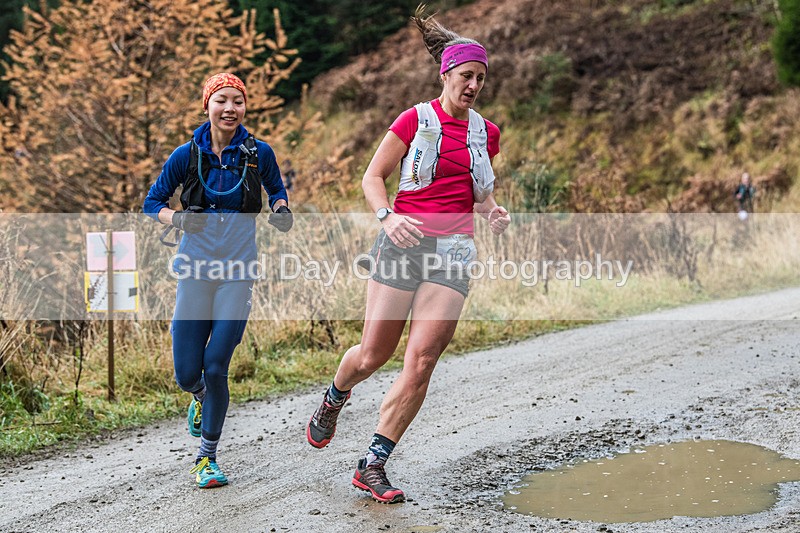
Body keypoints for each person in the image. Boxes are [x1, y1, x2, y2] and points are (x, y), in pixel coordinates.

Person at [306, 6, 510, 504]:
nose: (473, 85)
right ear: (446, 73)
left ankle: (372, 463)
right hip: (402, 242)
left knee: (422, 360)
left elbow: (474, 192)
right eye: (466, 75)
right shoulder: (414, 121)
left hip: (455, 249)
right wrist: (387, 217)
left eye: (480, 78)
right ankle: (335, 395)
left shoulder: (487, 132)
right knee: (374, 355)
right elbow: (372, 178)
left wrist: (492, 210)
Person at [143, 73, 293, 488]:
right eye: (222, 100)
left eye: (238, 102)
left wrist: (280, 209)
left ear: (245, 108)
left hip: (238, 273)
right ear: (207, 106)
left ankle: (206, 458)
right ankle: (197, 395)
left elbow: (277, 190)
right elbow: (151, 202)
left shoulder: (258, 153)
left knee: (216, 365)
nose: (230, 109)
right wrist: (177, 218)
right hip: (195, 270)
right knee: (188, 373)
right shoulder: (186, 155)